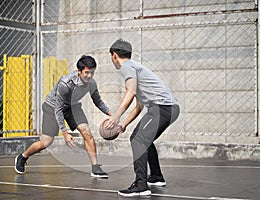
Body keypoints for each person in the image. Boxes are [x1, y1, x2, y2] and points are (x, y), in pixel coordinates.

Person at [15, 55, 111, 178]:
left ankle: (95, 167)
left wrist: (110, 113)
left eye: (92, 72)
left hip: (72, 107)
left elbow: (97, 101)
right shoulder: (66, 83)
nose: (89, 76)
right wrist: (65, 132)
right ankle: (23, 156)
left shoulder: (91, 83)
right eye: (87, 72)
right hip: (52, 107)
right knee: (45, 143)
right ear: (79, 71)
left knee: (87, 132)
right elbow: (58, 108)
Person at [106, 39, 180, 196]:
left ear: (114, 55)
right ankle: (156, 177)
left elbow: (130, 92)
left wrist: (117, 116)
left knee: (138, 140)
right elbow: (139, 106)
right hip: (168, 109)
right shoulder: (135, 68)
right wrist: (124, 124)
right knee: (141, 139)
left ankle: (141, 185)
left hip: (162, 108)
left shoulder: (127, 67)